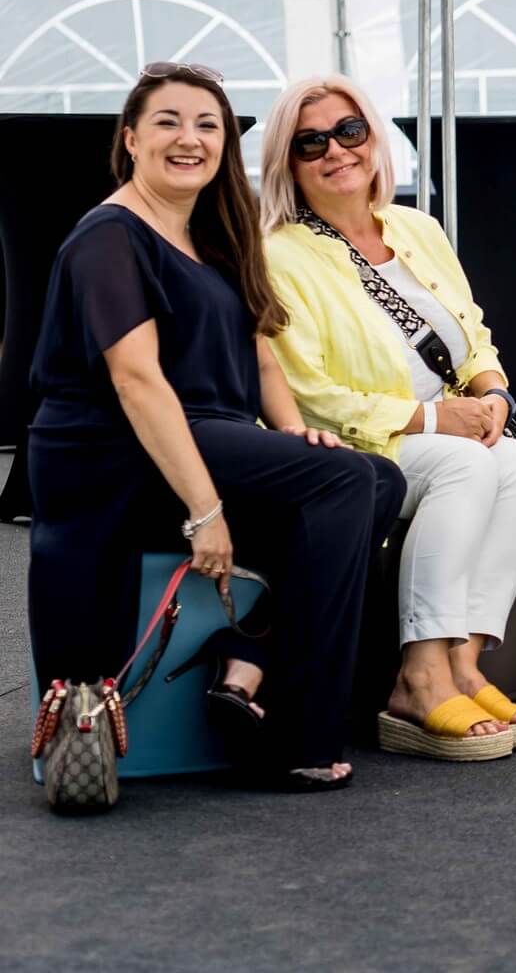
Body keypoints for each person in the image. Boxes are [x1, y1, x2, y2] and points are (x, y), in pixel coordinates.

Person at [26, 63, 402, 793]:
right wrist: (206, 512)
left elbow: (261, 357)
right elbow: (137, 383)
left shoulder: (217, 233)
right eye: (167, 122)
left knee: (378, 479)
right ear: (130, 139)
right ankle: (294, 735)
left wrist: (292, 434)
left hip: (206, 432)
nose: (189, 139)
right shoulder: (109, 236)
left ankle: (249, 660)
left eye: (208, 126)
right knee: (345, 482)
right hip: (116, 451)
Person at [260, 76, 516, 763]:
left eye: (349, 131)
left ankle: (464, 664)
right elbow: (308, 394)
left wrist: (494, 395)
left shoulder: (418, 228)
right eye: (311, 143)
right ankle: (417, 678)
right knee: (465, 464)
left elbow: (472, 337)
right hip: (353, 444)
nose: (337, 151)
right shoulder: (278, 253)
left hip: (445, 426)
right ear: (288, 164)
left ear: (374, 137)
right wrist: (431, 417)